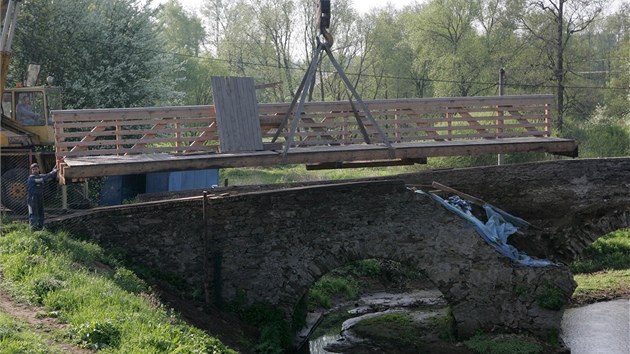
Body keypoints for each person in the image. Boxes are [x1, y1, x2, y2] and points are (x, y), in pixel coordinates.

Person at [27, 163, 57, 230]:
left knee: (41, 211)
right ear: (31, 170)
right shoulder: (31, 178)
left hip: (39, 196)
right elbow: (43, 178)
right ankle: (33, 227)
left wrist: (53, 172)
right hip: (32, 197)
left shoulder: (40, 176)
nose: (35, 170)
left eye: (36, 169)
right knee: (33, 212)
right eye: (33, 169)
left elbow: (47, 177)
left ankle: (40, 226)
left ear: (39, 169)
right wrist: (53, 172)